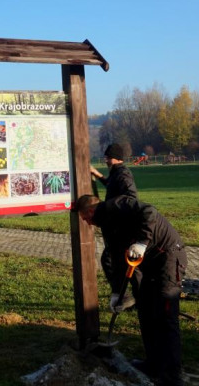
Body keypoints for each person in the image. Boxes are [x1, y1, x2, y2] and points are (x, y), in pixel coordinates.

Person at [76, 194, 187, 386]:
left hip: (168, 256)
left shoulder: (118, 205)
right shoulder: (107, 227)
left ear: (91, 211)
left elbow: (149, 211)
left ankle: (171, 376)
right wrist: (118, 293)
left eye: (85, 219)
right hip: (149, 266)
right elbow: (117, 260)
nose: (87, 224)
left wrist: (142, 241)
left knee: (165, 318)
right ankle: (153, 364)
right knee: (146, 312)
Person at [90, 143, 139, 311]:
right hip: (116, 227)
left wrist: (106, 206)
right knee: (115, 262)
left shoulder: (123, 173)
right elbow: (111, 185)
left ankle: (129, 297)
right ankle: (126, 297)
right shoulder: (116, 173)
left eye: (108, 157)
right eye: (105, 157)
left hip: (122, 228)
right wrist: (97, 175)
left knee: (114, 261)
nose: (106, 160)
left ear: (117, 158)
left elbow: (130, 197)